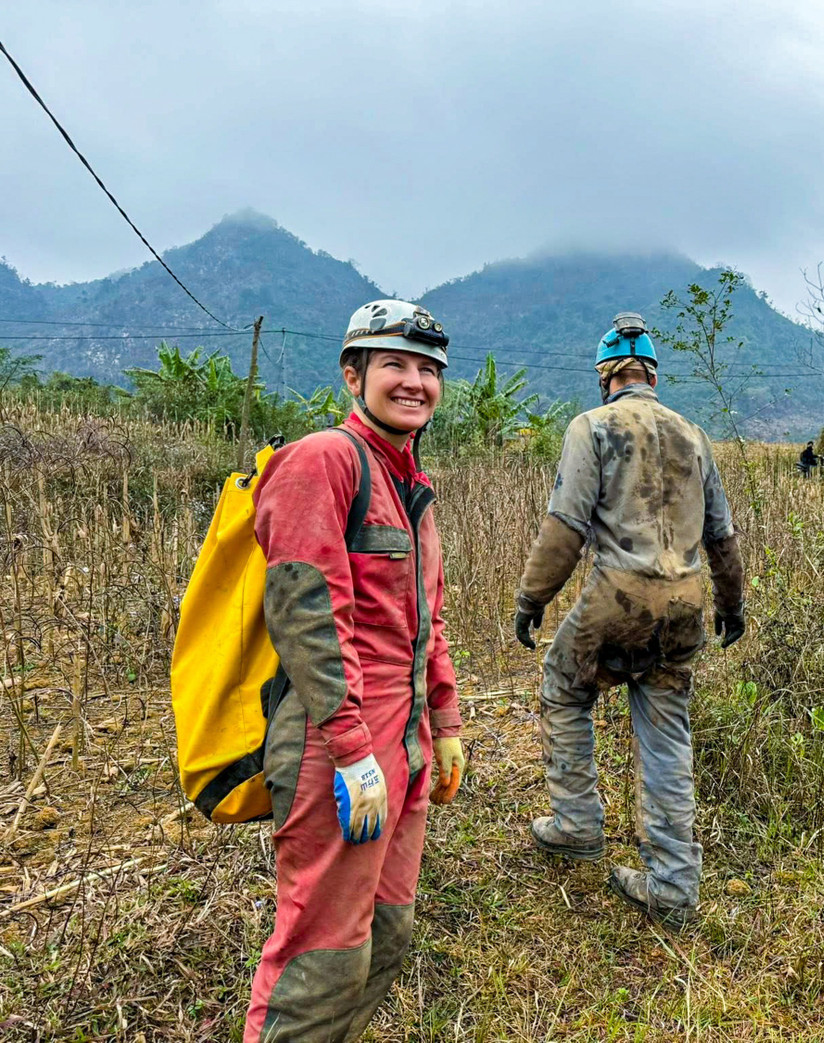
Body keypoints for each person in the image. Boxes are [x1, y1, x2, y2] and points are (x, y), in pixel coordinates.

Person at [244, 299, 467, 1042]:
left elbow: (425, 624)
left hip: (402, 746)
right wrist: (350, 751)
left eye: (428, 369)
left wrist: (447, 725)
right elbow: (308, 615)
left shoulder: (411, 484)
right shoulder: (323, 461)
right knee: (322, 954)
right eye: (395, 365)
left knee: (387, 938)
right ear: (353, 375)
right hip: (335, 748)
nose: (415, 382)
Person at [512, 311, 746, 928]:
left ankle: (576, 823)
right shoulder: (692, 434)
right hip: (686, 603)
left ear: (604, 375)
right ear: (652, 374)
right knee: (667, 732)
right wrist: (732, 605)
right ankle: (674, 883)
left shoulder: (592, 427)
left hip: (617, 596)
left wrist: (531, 600)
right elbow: (721, 535)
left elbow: (565, 527)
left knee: (564, 689)